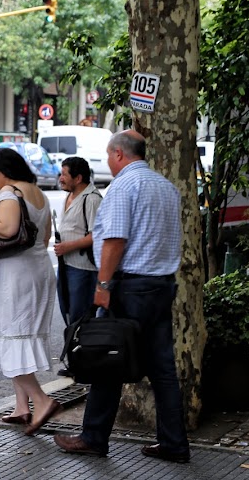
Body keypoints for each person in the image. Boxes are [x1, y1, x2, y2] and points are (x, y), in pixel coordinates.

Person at [53, 130, 190, 463]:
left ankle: (94, 437)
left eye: (109, 156)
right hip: (162, 285)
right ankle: (174, 443)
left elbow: (114, 240)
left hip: (130, 287)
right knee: (163, 370)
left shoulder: (124, 187)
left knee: (106, 359)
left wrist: (102, 285)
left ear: (118, 154)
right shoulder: (167, 187)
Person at [0, 147, 59, 436]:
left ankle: (41, 400)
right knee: (19, 336)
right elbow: (46, 236)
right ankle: (22, 407)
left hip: (15, 275)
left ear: (4, 171)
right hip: (39, 268)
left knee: (9, 336)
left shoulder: (11, 193)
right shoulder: (39, 193)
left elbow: (9, 230)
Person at [53, 156, 102, 328]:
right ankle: (73, 347)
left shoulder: (92, 199)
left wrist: (68, 246)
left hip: (83, 268)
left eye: (64, 174)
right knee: (67, 311)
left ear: (78, 178)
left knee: (80, 315)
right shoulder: (70, 196)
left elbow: (96, 235)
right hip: (66, 264)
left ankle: (81, 350)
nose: (60, 178)